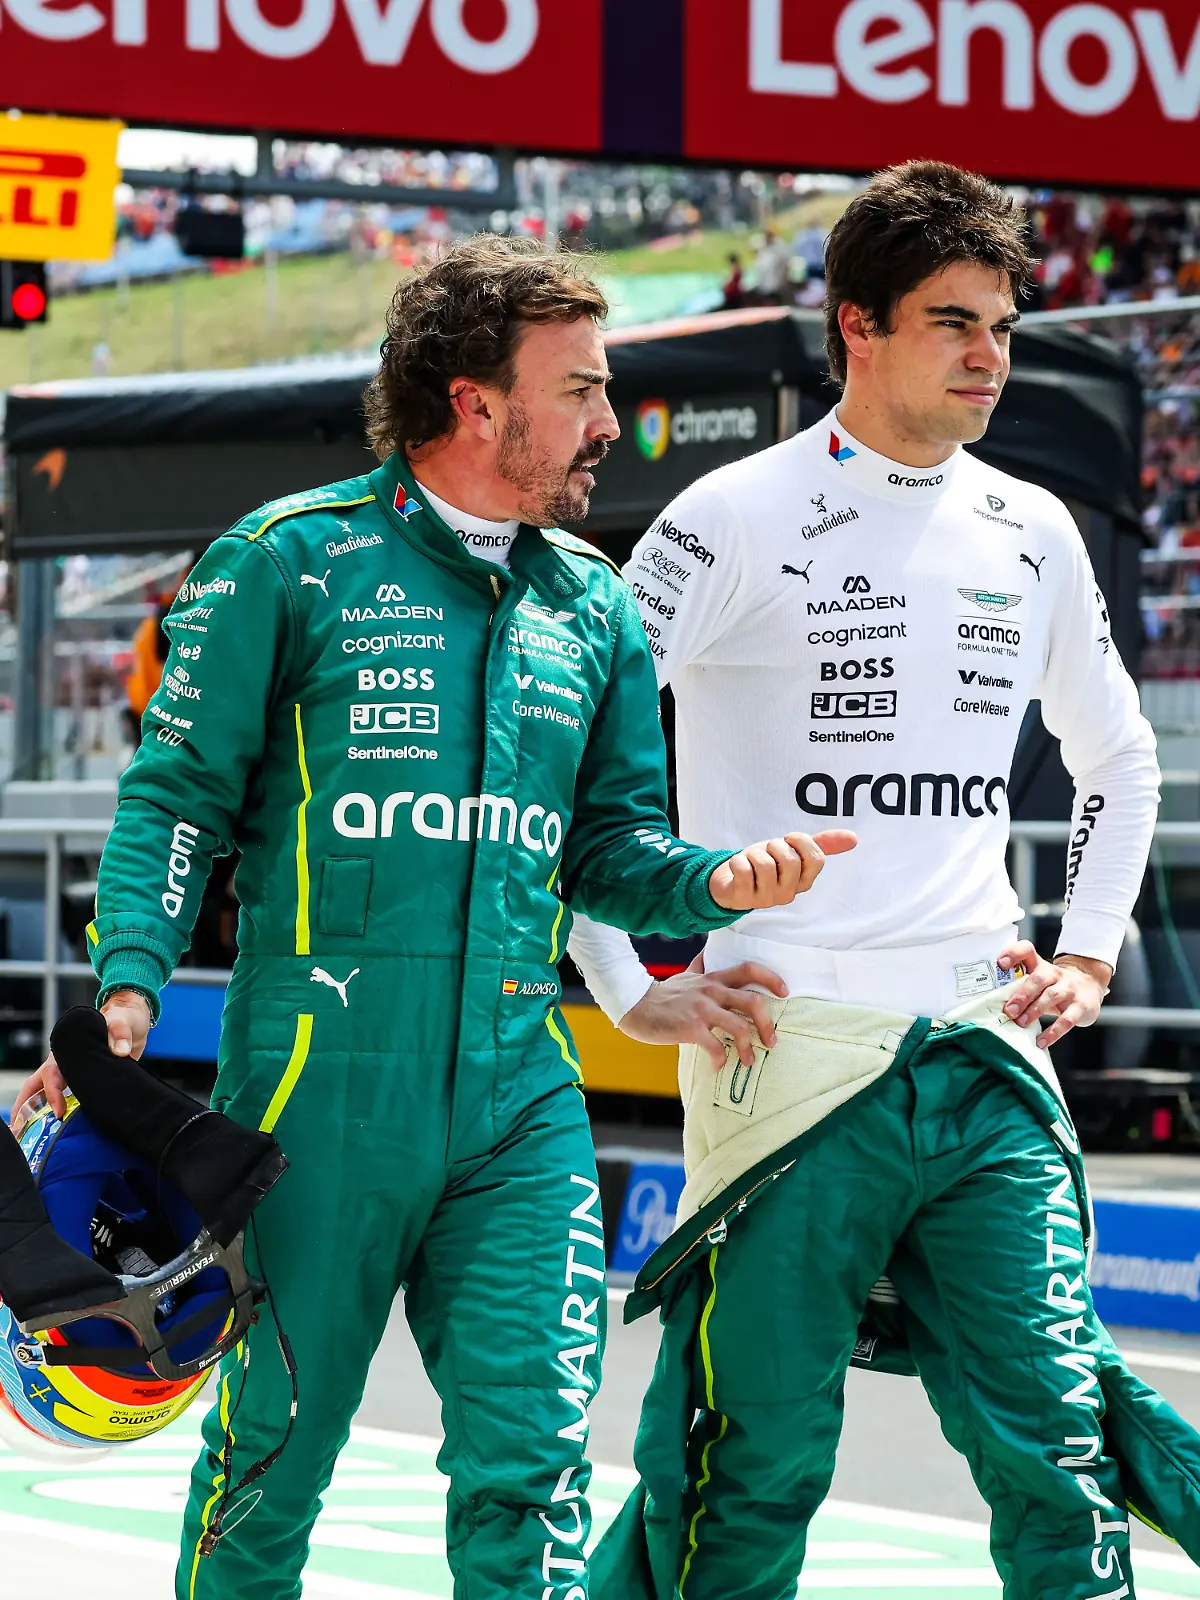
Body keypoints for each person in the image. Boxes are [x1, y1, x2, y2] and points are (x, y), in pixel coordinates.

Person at [14, 236, 849, 1600]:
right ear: (474, 402)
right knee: (270, 1464)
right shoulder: (285, 562)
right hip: (307, 1098)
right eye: (577, 389)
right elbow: (174, 802)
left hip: (523, 1094)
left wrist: (713, 885)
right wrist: (125, 993)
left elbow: (611, 851)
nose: (606, 422)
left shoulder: (595, 610)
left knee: (532, 1476)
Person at [568, 164, 1200, 1598]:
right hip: (790, 1061)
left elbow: (1121, 761)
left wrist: (1090, 951)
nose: (991, 355)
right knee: (753, 1468)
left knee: (1059, 1448)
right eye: (953, 323)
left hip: (983, 1049)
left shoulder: (1032, 528)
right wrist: (629, 986)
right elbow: (574, 762)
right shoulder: (725, 518)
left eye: (1005, 324)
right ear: (857, 326)